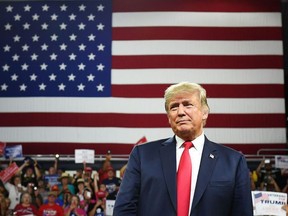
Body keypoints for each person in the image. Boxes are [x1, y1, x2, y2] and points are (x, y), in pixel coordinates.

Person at [113, 82, 253, 216]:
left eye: (188, 105)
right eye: (174, 107)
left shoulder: (233, 161)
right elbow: (124, 208)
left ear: (205, 113)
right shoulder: (142, 155)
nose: (180, 112)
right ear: (169, 117)